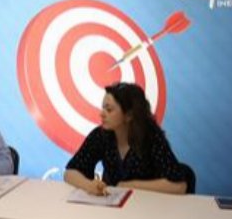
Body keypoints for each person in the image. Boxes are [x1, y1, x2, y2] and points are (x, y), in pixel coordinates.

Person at [64, 82, 195, 196]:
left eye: (109, 110)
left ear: (129, 115)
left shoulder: (151, 137)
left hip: (149, 207)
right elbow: (70, 173)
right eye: (103, 108)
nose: (102, 114)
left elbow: (179, 186)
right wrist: (88, 185)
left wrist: (129, 185)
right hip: (112, 207)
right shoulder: (100, 135)